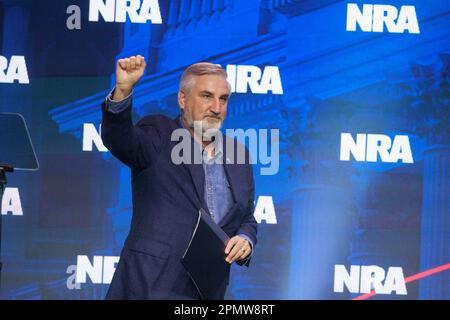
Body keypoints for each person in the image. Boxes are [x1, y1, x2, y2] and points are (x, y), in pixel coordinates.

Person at [101, 55, 257, 300]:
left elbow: (246, 216)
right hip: (151, 284)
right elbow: (119, 139)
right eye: (207, 96)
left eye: (223, 99)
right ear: (182, 100)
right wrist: (123, 91)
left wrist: (245, 240)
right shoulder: (160, 133)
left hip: (206, 292)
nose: (217, 108)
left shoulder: (239, 155)